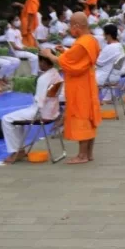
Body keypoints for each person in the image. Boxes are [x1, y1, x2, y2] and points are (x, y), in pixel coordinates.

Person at [40, 11, 101, 165]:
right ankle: (89, 153)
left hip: (80, 85)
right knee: (88, 117)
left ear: (77, 26)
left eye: (71, 25)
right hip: (87, 83)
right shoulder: (91, 40)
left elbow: (67, 64)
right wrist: (65, 51)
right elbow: (77, 58)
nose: (69, 29)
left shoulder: (82, 43)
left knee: (81, 118)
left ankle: (82, 155)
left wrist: (49, 54)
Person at [1, 55, 63, 163]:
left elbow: (40, 101)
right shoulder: (57, 74)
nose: (39, 65)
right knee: (16, 121)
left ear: (43, 62)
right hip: (53, 112)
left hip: (41, 113)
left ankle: (16, 152)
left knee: (6, 119)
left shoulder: (43, 79)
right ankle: (20, 150)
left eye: (40, 62)